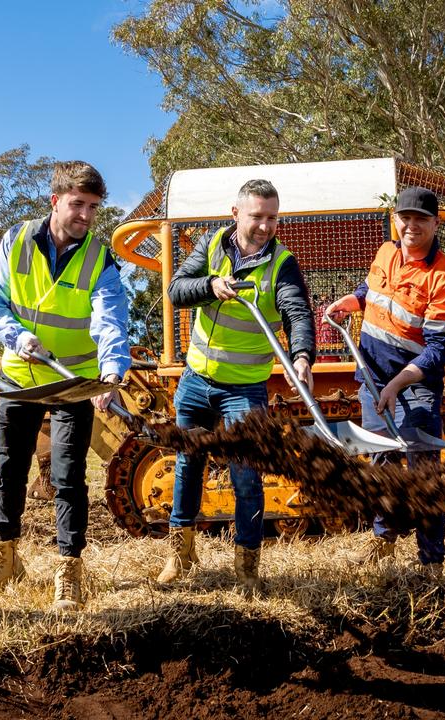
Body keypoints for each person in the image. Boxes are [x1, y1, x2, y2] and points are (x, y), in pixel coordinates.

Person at [0, 160, 130, 612]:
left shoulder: (99, 257)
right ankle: (4, 558)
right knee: (9, 472)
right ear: (55, 201)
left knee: (68, 477)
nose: (85, 215)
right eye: (77, 204)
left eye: (94, 207)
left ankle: (69, 570)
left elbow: (110, 319)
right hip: (20, 379)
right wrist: (15, 335)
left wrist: (111, 374)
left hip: (72, 385)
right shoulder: (17, 240)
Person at [158, 179, 315, 596]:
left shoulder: (281, 263)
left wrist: (301, 357)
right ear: (235, 214)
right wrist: (210, 285)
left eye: (272, 217)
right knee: (188, 465)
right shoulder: (211, 247)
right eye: (256, 216)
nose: (265, 225)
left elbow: (297, 311)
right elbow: (176, 290)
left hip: (244, 390)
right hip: (196, 380)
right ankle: (180, 554)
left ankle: (247, 566)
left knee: (246, 475)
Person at [325, 186, 445, 576]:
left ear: (435, 223)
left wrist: (398, 385)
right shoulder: (386, 252)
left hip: (416, 385)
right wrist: (350, 302)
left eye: (421, 219)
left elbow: (436, 352)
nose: (411, 225)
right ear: (396, 220)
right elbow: (371, 291)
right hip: (373, 378)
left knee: (424, 470)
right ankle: (383, 540)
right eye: (405, 217)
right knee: (382, 460)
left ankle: (431, 561)